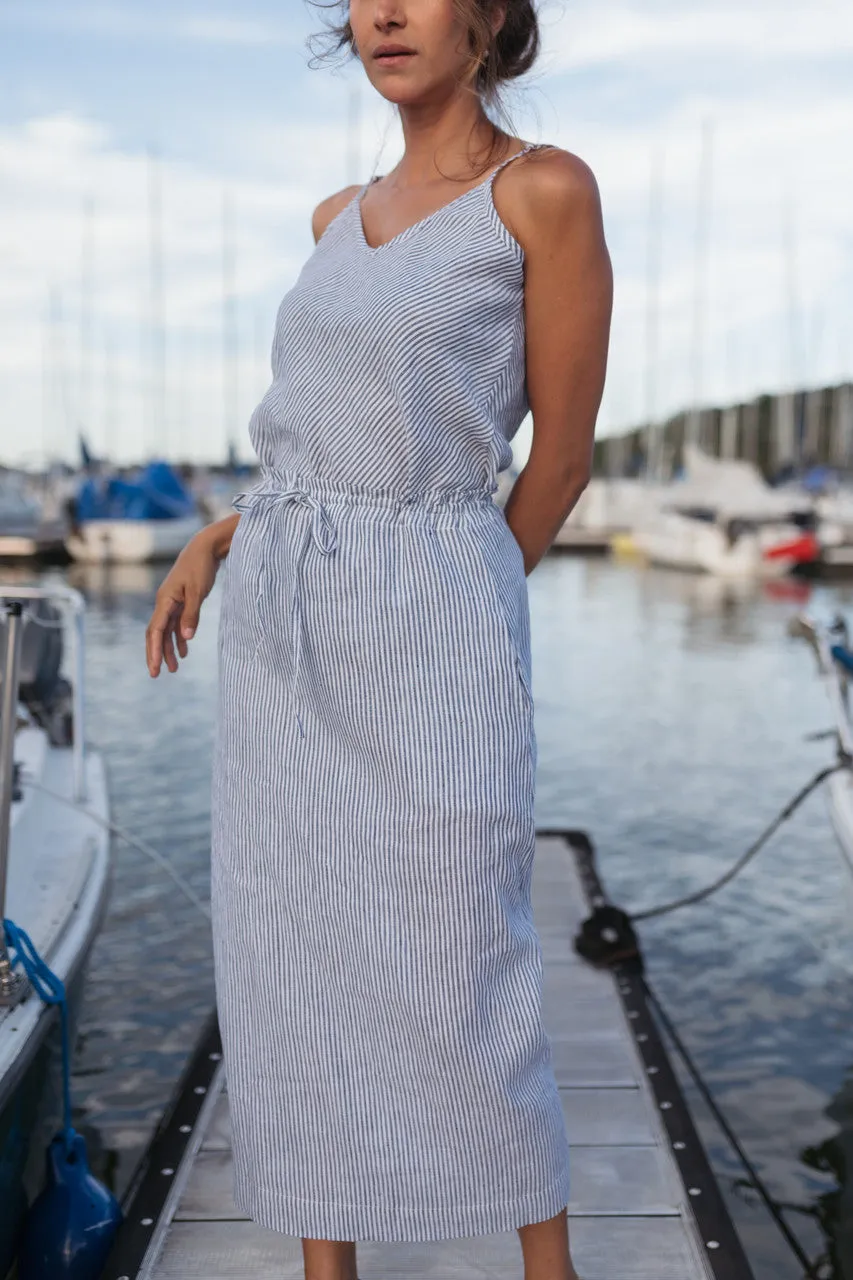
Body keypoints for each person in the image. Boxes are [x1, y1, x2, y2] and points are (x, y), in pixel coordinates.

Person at [144, 2, 612, 1277]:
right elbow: (325, 431)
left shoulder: (542, 194)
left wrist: (453, 594)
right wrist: (220, 534)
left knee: (461, 942)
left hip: (436, 611)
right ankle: (326, 1261)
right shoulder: (329, 221)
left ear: (491, 18)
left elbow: (559, 457)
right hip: (283, 630)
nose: (386, 13)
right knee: (291, 939)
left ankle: (545, 1263)